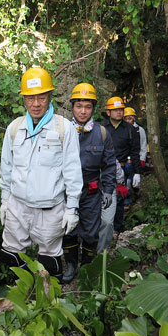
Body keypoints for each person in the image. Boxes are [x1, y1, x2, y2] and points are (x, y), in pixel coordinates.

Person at [0, 67, 83, 280]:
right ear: (24, 99)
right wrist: (5, 200)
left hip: (50, 209)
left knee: (50, 261)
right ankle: (22, 297)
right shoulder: (15, 129)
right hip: (18, 206)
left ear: (49, 97)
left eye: (41, 97)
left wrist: (72, 207)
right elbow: (7, 167)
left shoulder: (64, 129)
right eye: (30, 98)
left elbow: (72, 171)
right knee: (11, 255)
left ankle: (47, 303)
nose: (36, 104)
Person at [61, 83, 117, 283]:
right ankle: (71, 266)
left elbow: (109, 165)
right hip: (65, 192)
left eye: (87, 107)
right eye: (78, 106)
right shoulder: (62, 130)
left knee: (91, 234)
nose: (83, 111)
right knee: (67, 231)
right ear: (72, 107)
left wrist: (109, 190)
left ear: (93, 108)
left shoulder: (102, 133)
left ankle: (86, 267)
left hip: (91, 192)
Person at [101, 97, 141, 232]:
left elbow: (135, 152)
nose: (119, 112)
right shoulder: (101, 128)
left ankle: (117, 229)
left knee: (119, 199)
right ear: (108, 112)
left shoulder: (130, 129)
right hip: (103, 169)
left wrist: (137, 172)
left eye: (121, 110)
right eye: (115, 110)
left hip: (122, 169)